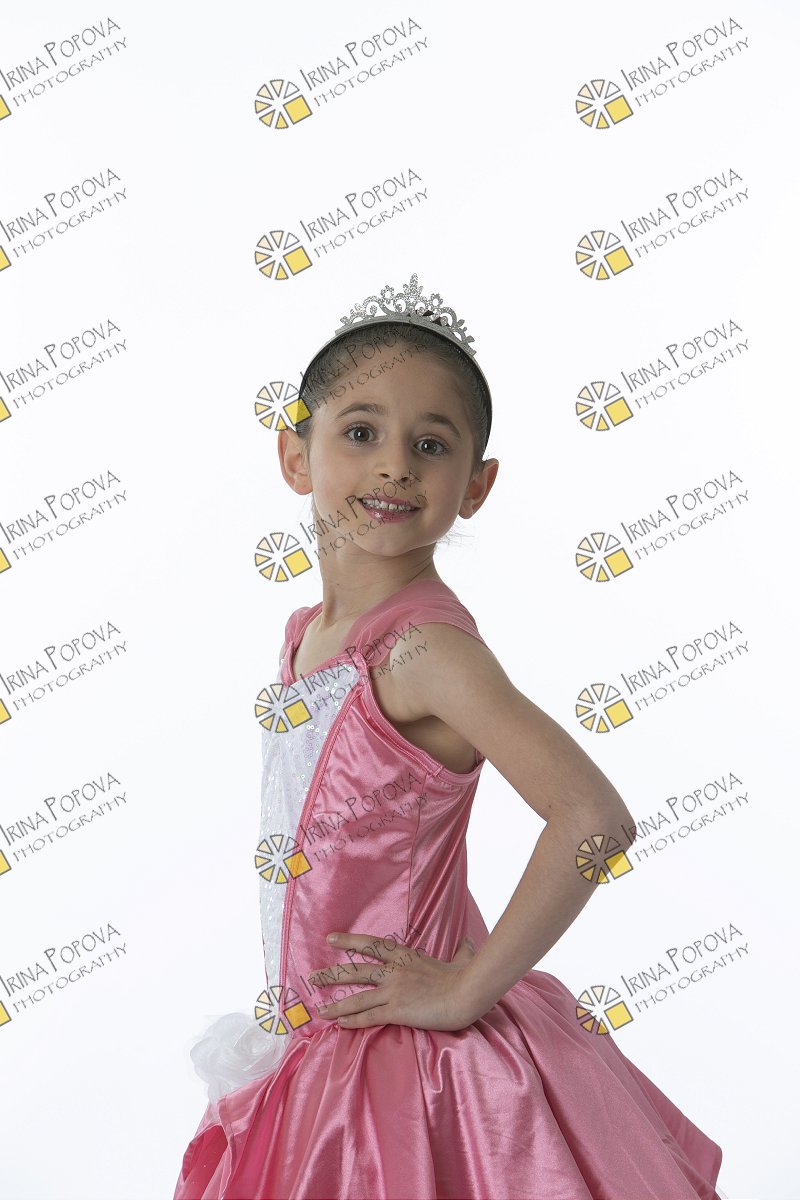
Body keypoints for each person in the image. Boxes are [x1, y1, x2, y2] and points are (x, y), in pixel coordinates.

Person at [173, 274, 725, 1200]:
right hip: (328, 1039)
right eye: (361, 432)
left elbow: (593, 818)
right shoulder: (308, 636)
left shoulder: (425, 650)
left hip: (415, 1071)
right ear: (295, 454)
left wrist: (465, 989)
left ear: (475, 485)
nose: (394, 465)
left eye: (430, 445)